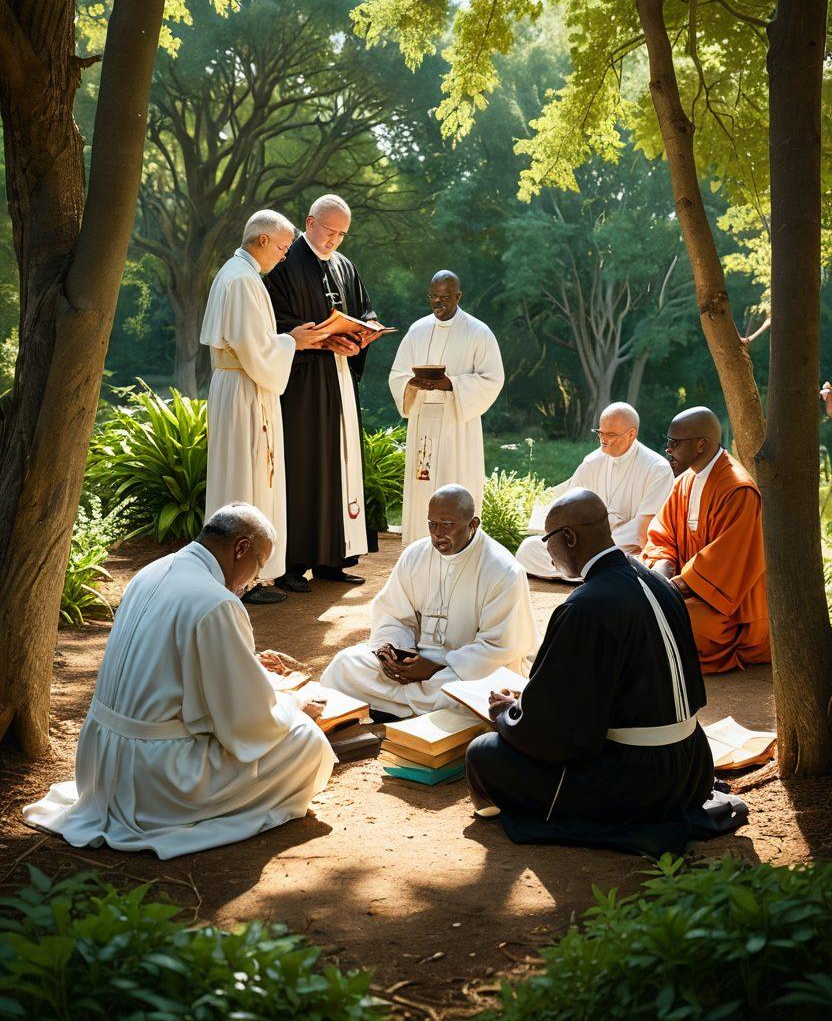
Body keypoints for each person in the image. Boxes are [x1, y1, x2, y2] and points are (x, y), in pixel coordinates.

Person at [23, 505, 337, 860]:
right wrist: (296, 706)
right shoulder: (217, 602)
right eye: (260, 564)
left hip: (96, 762)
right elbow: (248, 723)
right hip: (155, 780)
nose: (254, 580)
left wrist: (248, 665)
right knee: (305, 741)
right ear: (240, 548)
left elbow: (169, 664)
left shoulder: (151, 571)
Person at [465, 490, 714, 853]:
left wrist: (509, 713)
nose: (547, 552)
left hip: (638, 782)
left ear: (568, 537)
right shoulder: (657, 580)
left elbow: (562, 734)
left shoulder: (585, 606)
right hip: (692, 766)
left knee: (483, 753)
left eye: (547, 540)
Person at [321, 485, 540, 719]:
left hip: (461, 672)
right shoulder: (416, 555)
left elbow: (499, 646)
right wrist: (396, 654)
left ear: (473, 524)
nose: (437, 533)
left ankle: (393, 707)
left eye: (448, 525)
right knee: (344, 665)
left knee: (471, 694)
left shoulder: (502, 570)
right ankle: (412, 709)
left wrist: (436, 666)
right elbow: (392, 613)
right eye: (432, 524)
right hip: (413, 662)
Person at [199, 210, 327, 604]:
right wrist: (294, 341)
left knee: (247, 473)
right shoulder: (242, 281)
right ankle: (241, 577)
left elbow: (252, 341)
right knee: (245, 474)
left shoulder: (242, 276)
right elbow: (256, 351)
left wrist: (284, 340)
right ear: (263, 241)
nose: (286, 255)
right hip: (244, 388)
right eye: (284, 247)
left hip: (241, 384)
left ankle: (243, 572)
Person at [264, 195, 376, 592]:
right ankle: (293, 563)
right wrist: (313, 338)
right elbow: (272, 321)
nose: (335, 240)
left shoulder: (345, 266)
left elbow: (365, 311)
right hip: (302, 385)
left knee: (340, 464)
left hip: (340, 378)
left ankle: (333, 558)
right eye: (330, 231)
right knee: (304, 465)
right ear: (310, 223)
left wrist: (360, 338)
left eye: (342, 234)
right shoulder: (281, 264)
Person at [642, 406, 770, 673]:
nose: (668, 449)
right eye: (668, 442)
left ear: (701, 444)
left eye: (675, 443)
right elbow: (663, 534)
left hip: (729, 607)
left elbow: (726, 563)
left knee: (682, 621)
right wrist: (660, 573)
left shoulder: (738, 490)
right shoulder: (685, 482)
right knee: (647, 606)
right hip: (688, 590)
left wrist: (670, 590)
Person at [389, 271, 504, 545]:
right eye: (433, 297)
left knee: (456, 482)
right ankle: (419, 548)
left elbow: (492, 378)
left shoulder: (478, 332)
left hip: (457, 424)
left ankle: (460, 548)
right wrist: (412, 383)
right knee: (423, 489)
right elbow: (397, 373)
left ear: (458, 296)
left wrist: (451, 384)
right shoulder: (417, 330)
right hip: (422, 422)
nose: (437, 304)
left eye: (444, 298)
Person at [515, 402, 673, 579]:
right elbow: (568, 504)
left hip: (623, 549)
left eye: (611, 435)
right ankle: (594, 576)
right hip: (585, 548)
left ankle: (585, 574)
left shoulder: (657, 468)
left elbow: (643, 530)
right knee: (528, 549)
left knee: (634, 564)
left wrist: (602, 548)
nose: (603, 440)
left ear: (631, 434)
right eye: (600, 433)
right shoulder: (592, 461)